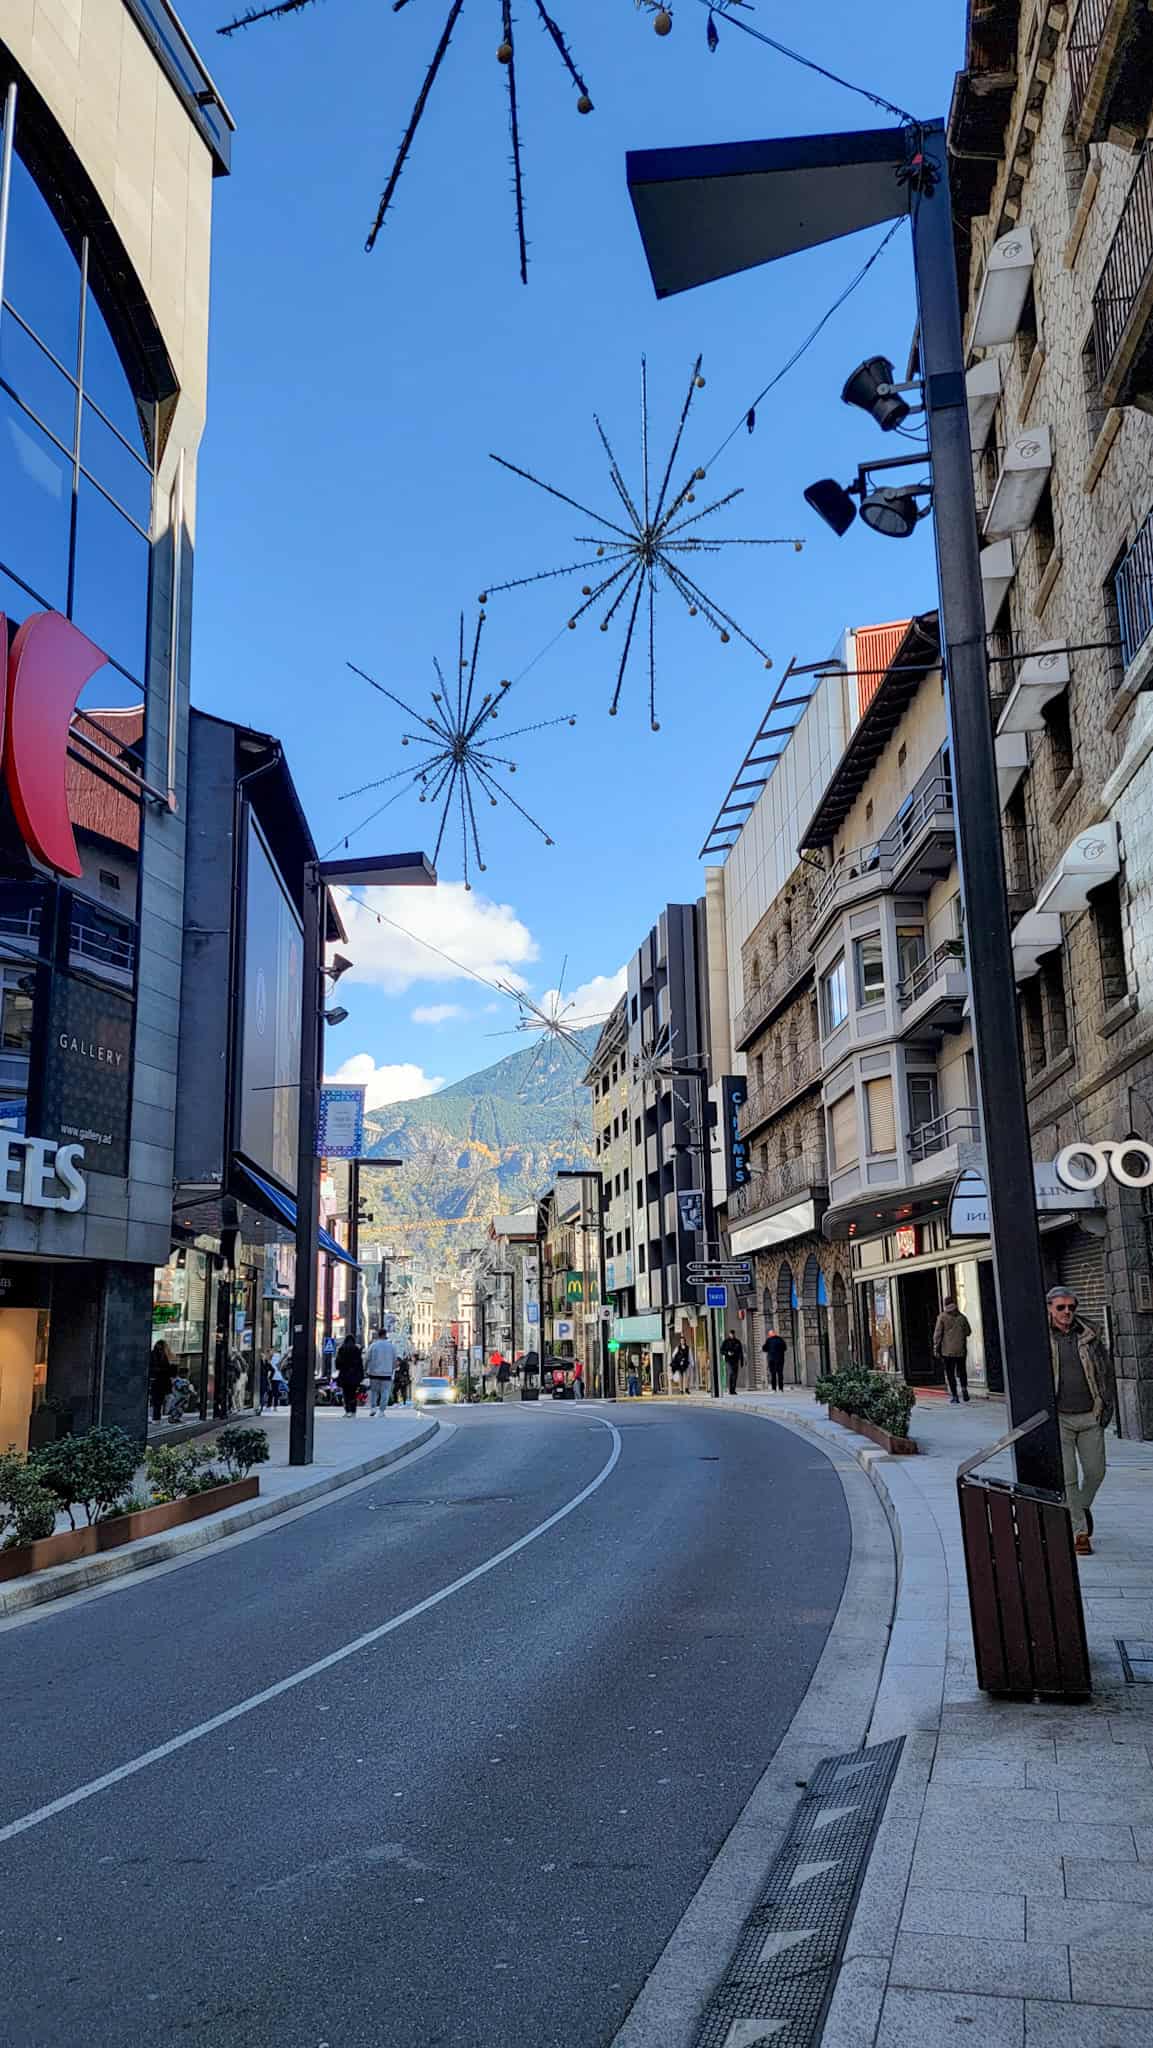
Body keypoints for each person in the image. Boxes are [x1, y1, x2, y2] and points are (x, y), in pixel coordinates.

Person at [1048, 1286, 1115, 1556]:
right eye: (1061, 1307)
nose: (1067, 1312)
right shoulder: (1042, 1337)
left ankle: (1080, 1508)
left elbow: (1106, 1373)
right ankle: (1080, 1533)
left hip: (1090, 1415)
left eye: (1071, 1307)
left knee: (1096, 1471)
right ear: (1050, 1309)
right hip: (1060, 1418)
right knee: (1068, 1477)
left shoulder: (1090, 1335)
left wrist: (1105, 1408)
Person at [933, 1295, 972, 1403]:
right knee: (962, 1370)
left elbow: (937, 1334)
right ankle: (964, 1389)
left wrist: (936, 1347)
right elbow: (968, 1332)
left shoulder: (942, 1317)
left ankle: (955, 1396)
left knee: (950, 1373)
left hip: (947, 1351)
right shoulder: (962, 1317)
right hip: (961, 1350)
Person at [363, 1329, 397, 1415]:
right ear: (385, 1335)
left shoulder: (373, 1346)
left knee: (374, 1391)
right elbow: (394, 1360)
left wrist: (365, 1369)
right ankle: (382, 1411)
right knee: (385, 1392)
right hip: (387, 1373)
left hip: (374, 1373)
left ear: (378, 1335)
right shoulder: (391, 1347)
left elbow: (367, 1359)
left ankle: (373, 1408)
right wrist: (392, 1369)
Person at [334, 1334, 364, 1417]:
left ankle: (348, 1411)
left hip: (344, 1375)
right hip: (354, 1375)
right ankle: (353, 1411)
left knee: (346, 1394)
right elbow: (360, 1364)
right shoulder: (356, 1349)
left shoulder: (341, 1349)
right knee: (353, 1393)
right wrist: (361, 1375)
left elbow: (337, 1363)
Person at [149, 1340, 174, 1423]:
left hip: (157, 1381)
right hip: (160, 1381)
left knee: (157, 1401)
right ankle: (157, 1418)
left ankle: (156, 1418)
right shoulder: (163, 1355)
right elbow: (168, 1370)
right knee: (159, 1400)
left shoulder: (155, 1354)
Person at [762, 1328, 786, 1393]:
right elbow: (785, 1348)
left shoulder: (769, 1340)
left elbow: (764, 1348)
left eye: (769, 1334)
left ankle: (774, 1389)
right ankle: (781, 1388)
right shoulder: (780, 1339)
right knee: (780, 1374)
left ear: (771, 1334)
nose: (769, 1335)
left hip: (772, 1359)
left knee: (773, 1374)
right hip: (780, 1359)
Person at [721, 1331, 744, 1397]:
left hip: (736, 1360)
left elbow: (740, 1352)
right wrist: (727, 1353)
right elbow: (721, 1350)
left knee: (735, 1375)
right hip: (729, 1360)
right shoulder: (726, 1341)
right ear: (729, 1334)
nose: (732, 1335)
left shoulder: (737, 1342)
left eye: (733, 1334)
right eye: (731, 1334)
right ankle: (731, 1389)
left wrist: (741, 1361)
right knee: (731, 1373)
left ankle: (733, 1390)